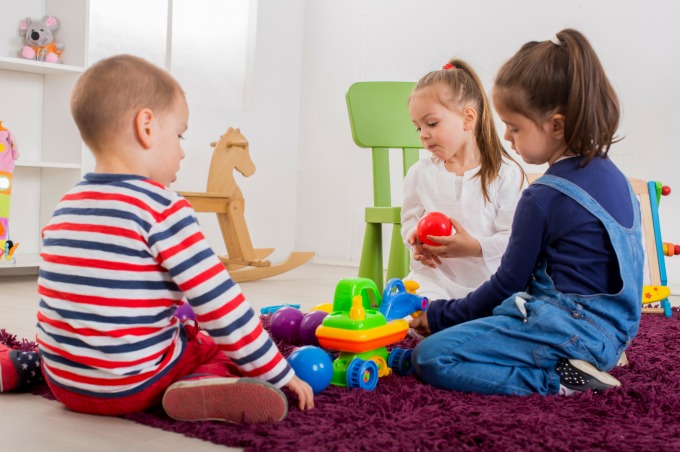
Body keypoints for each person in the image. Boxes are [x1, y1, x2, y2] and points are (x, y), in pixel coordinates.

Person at [29, 55, 313, 422]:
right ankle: (204, 385)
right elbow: (221, 307)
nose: (181, 150)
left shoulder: (65, 205)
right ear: (146, 126)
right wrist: (278, 372)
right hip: (132, 386)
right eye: (179, 134)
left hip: (63, 383)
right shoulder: (162, 208)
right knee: (214, 347)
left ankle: (18, 366)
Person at [409, 29, 643, 396]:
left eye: (514, 126)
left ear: (556, 125)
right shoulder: (617, 179)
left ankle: (558, 380)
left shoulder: (542, 197)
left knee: (431, 357)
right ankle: (586, 359)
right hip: (616, 332)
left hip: (567, 331)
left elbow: (507, 285)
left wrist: (438, 317)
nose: (505, 136)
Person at [403, 59, 526, 301]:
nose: (424, 135)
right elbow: (409, 219)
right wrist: (414, 239)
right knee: (412, 305)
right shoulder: (421, 172)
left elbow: (514, 239)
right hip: (434, 279)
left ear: (468, 118)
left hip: (489, 284)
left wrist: (474, 247)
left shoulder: (507, 174)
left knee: (508, 311)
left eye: (431, 123)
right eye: (418, 128)